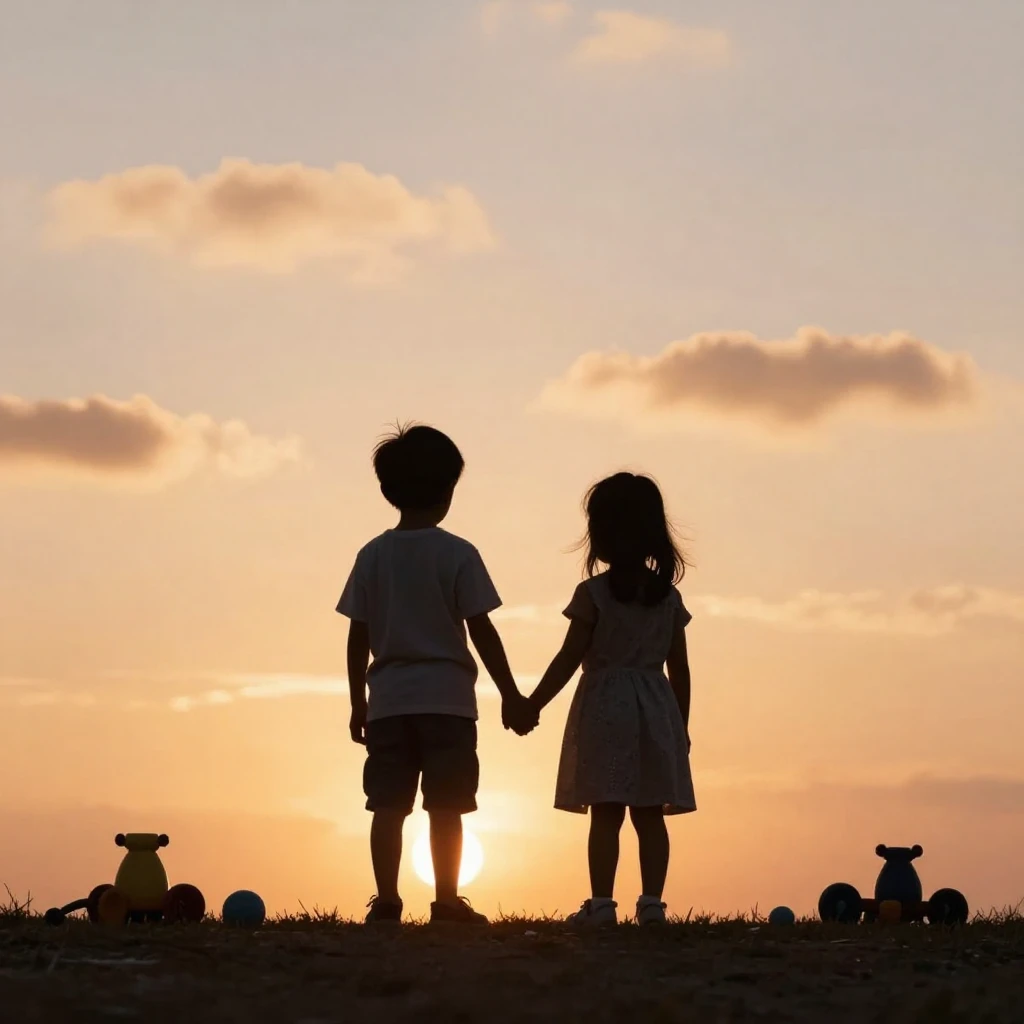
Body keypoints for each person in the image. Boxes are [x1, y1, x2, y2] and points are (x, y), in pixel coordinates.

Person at [337, 423, 537, 926]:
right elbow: (483, 631)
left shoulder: (372, 555)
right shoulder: (457, 553)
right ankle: (446, 901)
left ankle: (386, 901)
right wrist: (512, 695)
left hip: (388, 702)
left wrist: (358, 703)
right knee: (447, 805)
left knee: (387, 805)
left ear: (388, 491)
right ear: (448, 490)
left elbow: (357, 636)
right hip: (447, 702)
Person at [527, 472, 696, 927]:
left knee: (605, 812)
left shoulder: (593, 595)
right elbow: (678, 669)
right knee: (649, 812)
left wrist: (532, 703)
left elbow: (568, 658)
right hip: (654, 709)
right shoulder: (667, 598)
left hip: (604, 711)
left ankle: (601, 903)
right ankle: (652, 903)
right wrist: (680, 726)